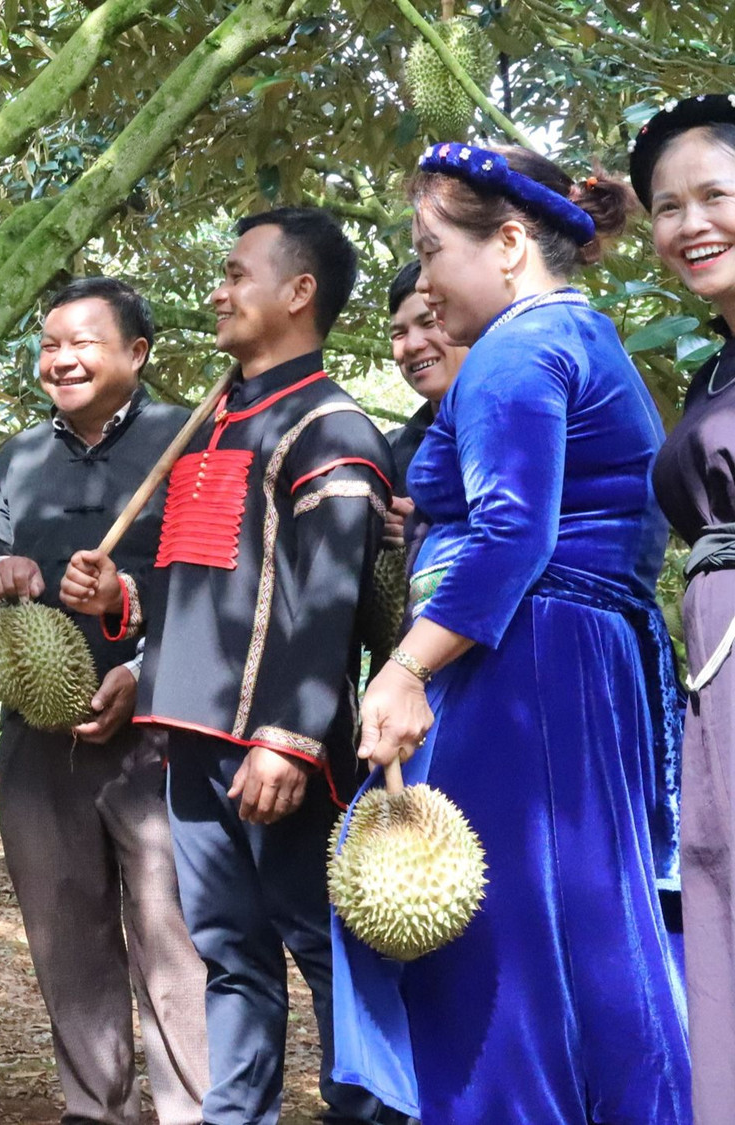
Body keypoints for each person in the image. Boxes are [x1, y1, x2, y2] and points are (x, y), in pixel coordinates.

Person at [343, 142, 690, 1123]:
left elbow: (512, 533)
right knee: (587, 943)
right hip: (581, 659)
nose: (421, 277)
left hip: (524, 665)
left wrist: (402, 669)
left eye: (427, 248)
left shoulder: (513, 348)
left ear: (504, 244)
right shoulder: (578, 335)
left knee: (501, 957)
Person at [60, 207, 394, 1125]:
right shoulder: (215, 423)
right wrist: (121, 610)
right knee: (230, 954)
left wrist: (286, 741)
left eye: (238, 272)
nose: (219, 288)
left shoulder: (331, 428)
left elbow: (325, 604)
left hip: (273, 750)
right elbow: (203, 583)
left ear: (299, 292)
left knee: (328, 948)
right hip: (191, 736)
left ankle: (366, 1113)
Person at [0, 277, 208, 1125]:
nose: (61, 358)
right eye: (49, 344)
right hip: (40, 738)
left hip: (159, 733)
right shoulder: (19, 456)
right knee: (67, 935)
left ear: (137, 353)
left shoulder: (191, 440)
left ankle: (190, 1111)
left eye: (84, 341)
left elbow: (220, 587)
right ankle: (95, 1108)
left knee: (173, 942)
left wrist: (141, 666)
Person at [636, 94, 735, 1116]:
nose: (688, 223)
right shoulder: (712, 365)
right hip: (711, 677)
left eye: (713, 195)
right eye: (667, 207)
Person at [382, 259, 468, 558]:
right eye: (398, 333)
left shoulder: (524, 429)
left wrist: (431, 530)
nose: (413, 345)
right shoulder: (389, 452)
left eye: (429, 323)